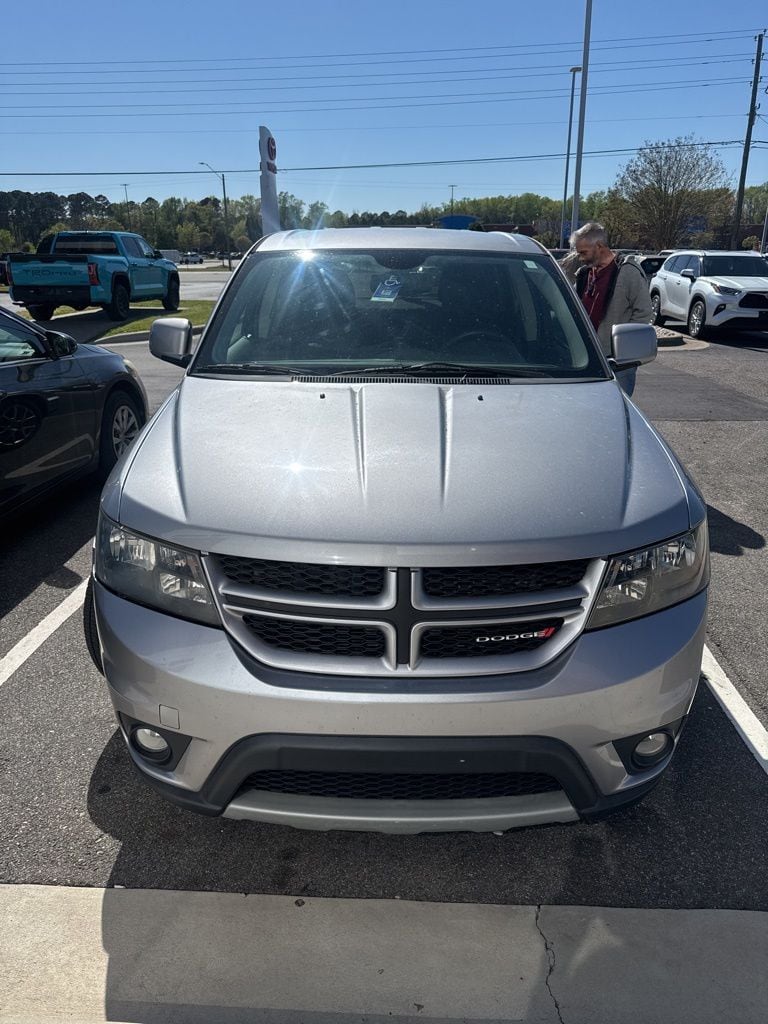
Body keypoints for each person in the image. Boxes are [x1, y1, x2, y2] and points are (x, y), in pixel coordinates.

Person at [570, 222, 652, 396]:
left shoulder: (628, 272)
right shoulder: (584, 274)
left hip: (618, 364)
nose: (580, 257)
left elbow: (644, 313)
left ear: (599, 246)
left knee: (615, 411)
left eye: (583, 252)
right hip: (584, 359)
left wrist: (624, 350)